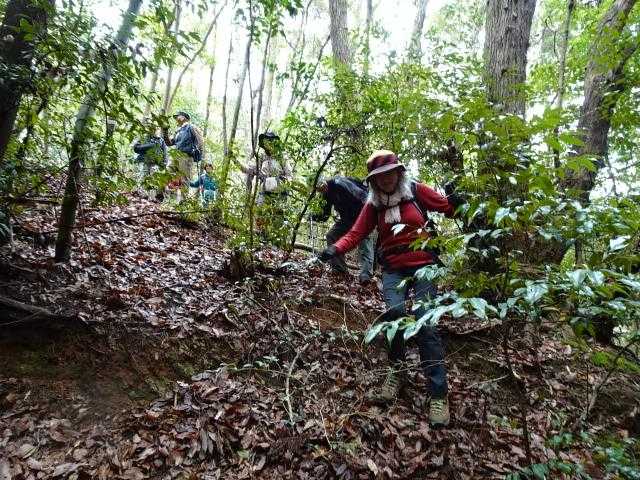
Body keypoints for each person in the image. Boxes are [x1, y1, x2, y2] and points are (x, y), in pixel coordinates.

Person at [318, 150, 462, 427]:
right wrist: (335, 248)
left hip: (425, 266)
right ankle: (397, 373)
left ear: (399, 172)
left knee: (425, 323)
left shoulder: (417, 191)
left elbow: (448, 208)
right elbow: (356, 233)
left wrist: (457, 201)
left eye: (389, 173)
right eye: (379, 176)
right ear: (373, 181)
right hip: (393, 269)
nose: (385, 179)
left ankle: (438, 394)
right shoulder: (373, 205)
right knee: (394, 316)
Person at [312, 176, 374, 284]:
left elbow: (363, 196)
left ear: (324, 182)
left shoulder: (340, 183)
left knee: (364, 243)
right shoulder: (326, 195)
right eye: (318, 190)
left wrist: (368, 217)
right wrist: (313, 216)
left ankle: (366, 275)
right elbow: (325, 215)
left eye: (321, 187)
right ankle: (339, 270)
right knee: (332, 235)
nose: (321, 190)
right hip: (346, 219)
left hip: (362, 216)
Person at [240, 131, 291, 245]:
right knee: (260, 213)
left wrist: (285, 185)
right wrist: (236, 162)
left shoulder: (282, 156)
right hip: (264, 189)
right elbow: (249, 169)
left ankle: (277, 241)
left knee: (278, 216)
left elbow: (289, 174)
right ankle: (261, 238)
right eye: (266, 140)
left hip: (279, 190)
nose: (268, 143)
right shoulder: (261, 157)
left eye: (270, 140)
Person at [162, 111, 203, 193]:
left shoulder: (191, 127)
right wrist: (165, 131)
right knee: (167, 174)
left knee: (184, 179)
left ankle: (183, 200)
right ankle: (160, 196)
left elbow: (200, 140)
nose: (176, 118)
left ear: (184, 117)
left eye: (178, 116)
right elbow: (169, 143)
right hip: (175, 155)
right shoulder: (178, 131)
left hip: (186, 156)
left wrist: (196, 151)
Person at [132, 120, 167, 200]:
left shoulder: (160, 140)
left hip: (156, 162)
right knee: (143, 176)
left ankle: (152, 197)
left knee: (154, 179)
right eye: (150, 128)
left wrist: (164, 162)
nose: (152, 129)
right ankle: (141, 195)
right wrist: (150, 145)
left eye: (154, 128)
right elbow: (136, 148)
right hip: (144, 160)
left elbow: (165, 152)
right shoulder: (143, 137)